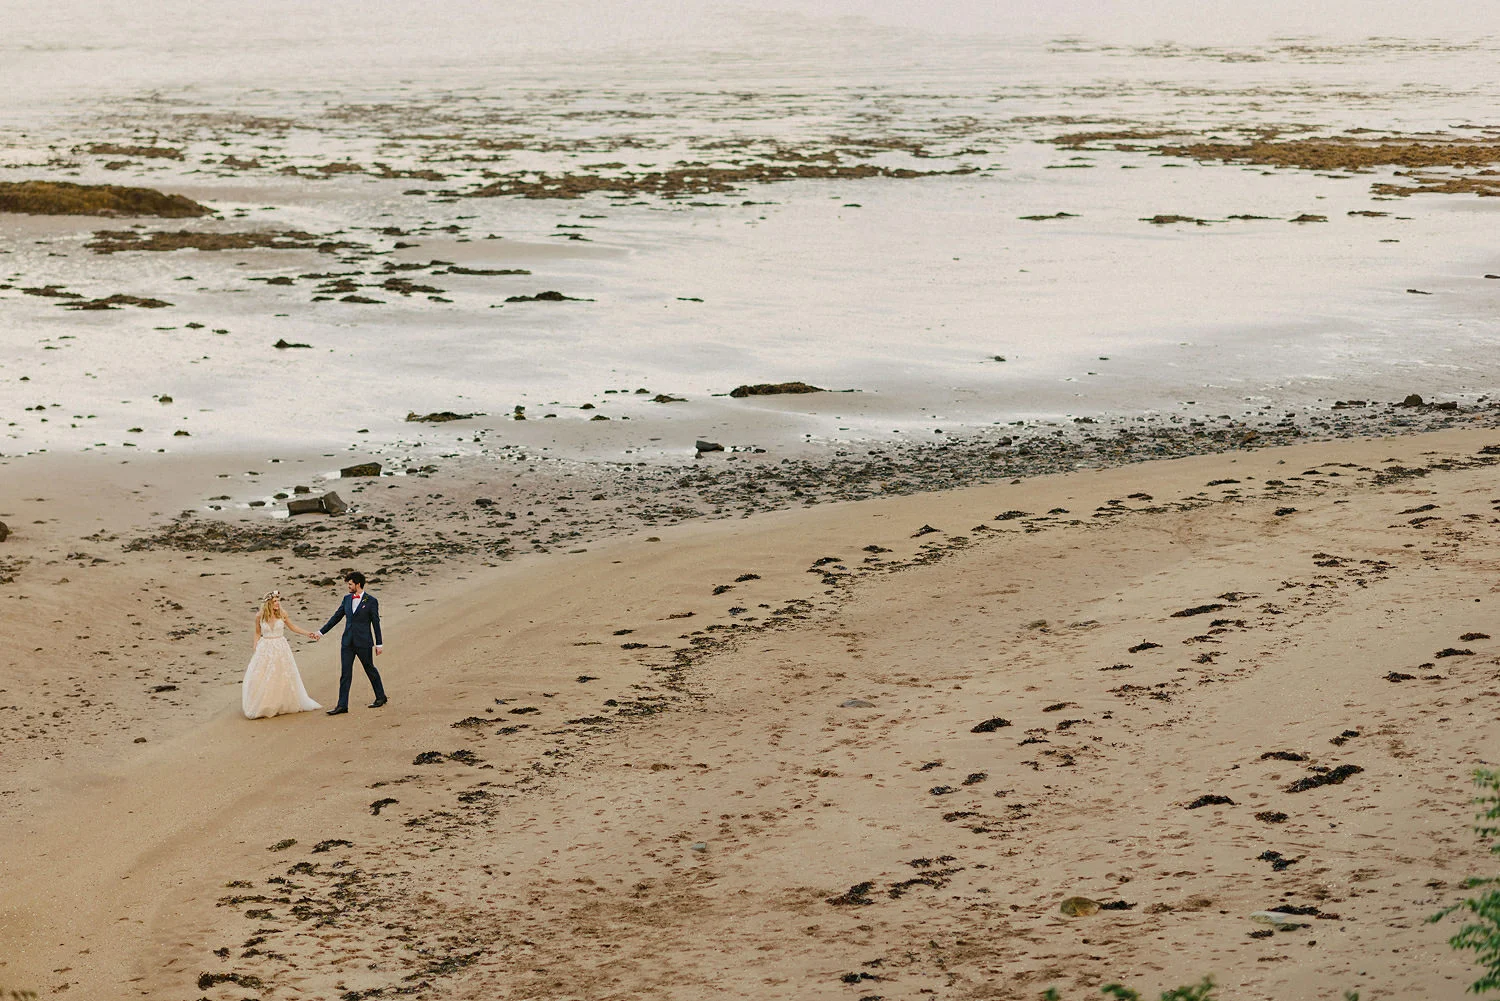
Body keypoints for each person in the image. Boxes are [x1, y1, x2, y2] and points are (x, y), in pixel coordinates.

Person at [312, 571, 387, 715]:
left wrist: (379, 644)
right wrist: (320, 632)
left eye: (350, 584)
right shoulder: (346, 599)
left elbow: (376, 623)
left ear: (358, 584)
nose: (348, 586)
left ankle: (381, 696)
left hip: (364, 642)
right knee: (345, 673)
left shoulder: (371, 601)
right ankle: (342, 705)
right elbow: (336, 617)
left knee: (369, 668)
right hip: (347, 642)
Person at [242, 590, 322, 719]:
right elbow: (257, 632)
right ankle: (265, 705)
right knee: (263, 676)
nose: (277, 603)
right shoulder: (260, 616)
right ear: (268, 603)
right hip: (265, 648)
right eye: (274, 601)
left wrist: (308, 633)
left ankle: (280, 703)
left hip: (280, 647)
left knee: (281, 675)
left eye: (278, 601)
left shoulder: (282, 614)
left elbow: (292, 627)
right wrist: (255, 646)